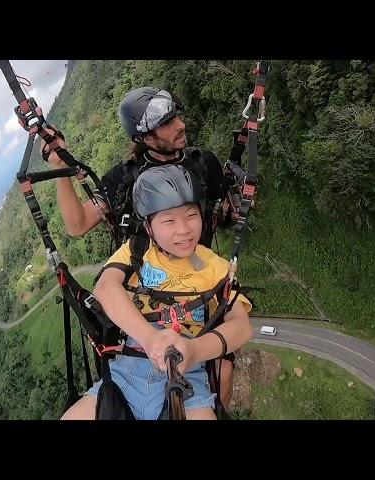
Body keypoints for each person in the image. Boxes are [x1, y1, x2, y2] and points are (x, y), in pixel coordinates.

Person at [43, 86, 239, 410]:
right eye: (167, 123)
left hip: (200, 285)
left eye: (176, 116)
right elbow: (77, 224)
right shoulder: (125, 179)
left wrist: (230, 213)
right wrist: (59, 168)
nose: (180, 126)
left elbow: (222, 215)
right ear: (145, 137)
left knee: (224, 377)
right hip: (143, 292)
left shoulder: (204, 165)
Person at [61, 164, 253, 420]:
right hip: (126, 373)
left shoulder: (216, 267)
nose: (183, 229)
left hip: (188, 379)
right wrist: (151, 340)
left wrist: (194, 350)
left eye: (191, 216)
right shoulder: (136, 250)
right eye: (169, 220)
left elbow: (241, 325)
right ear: (149, 226)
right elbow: (106, 288)